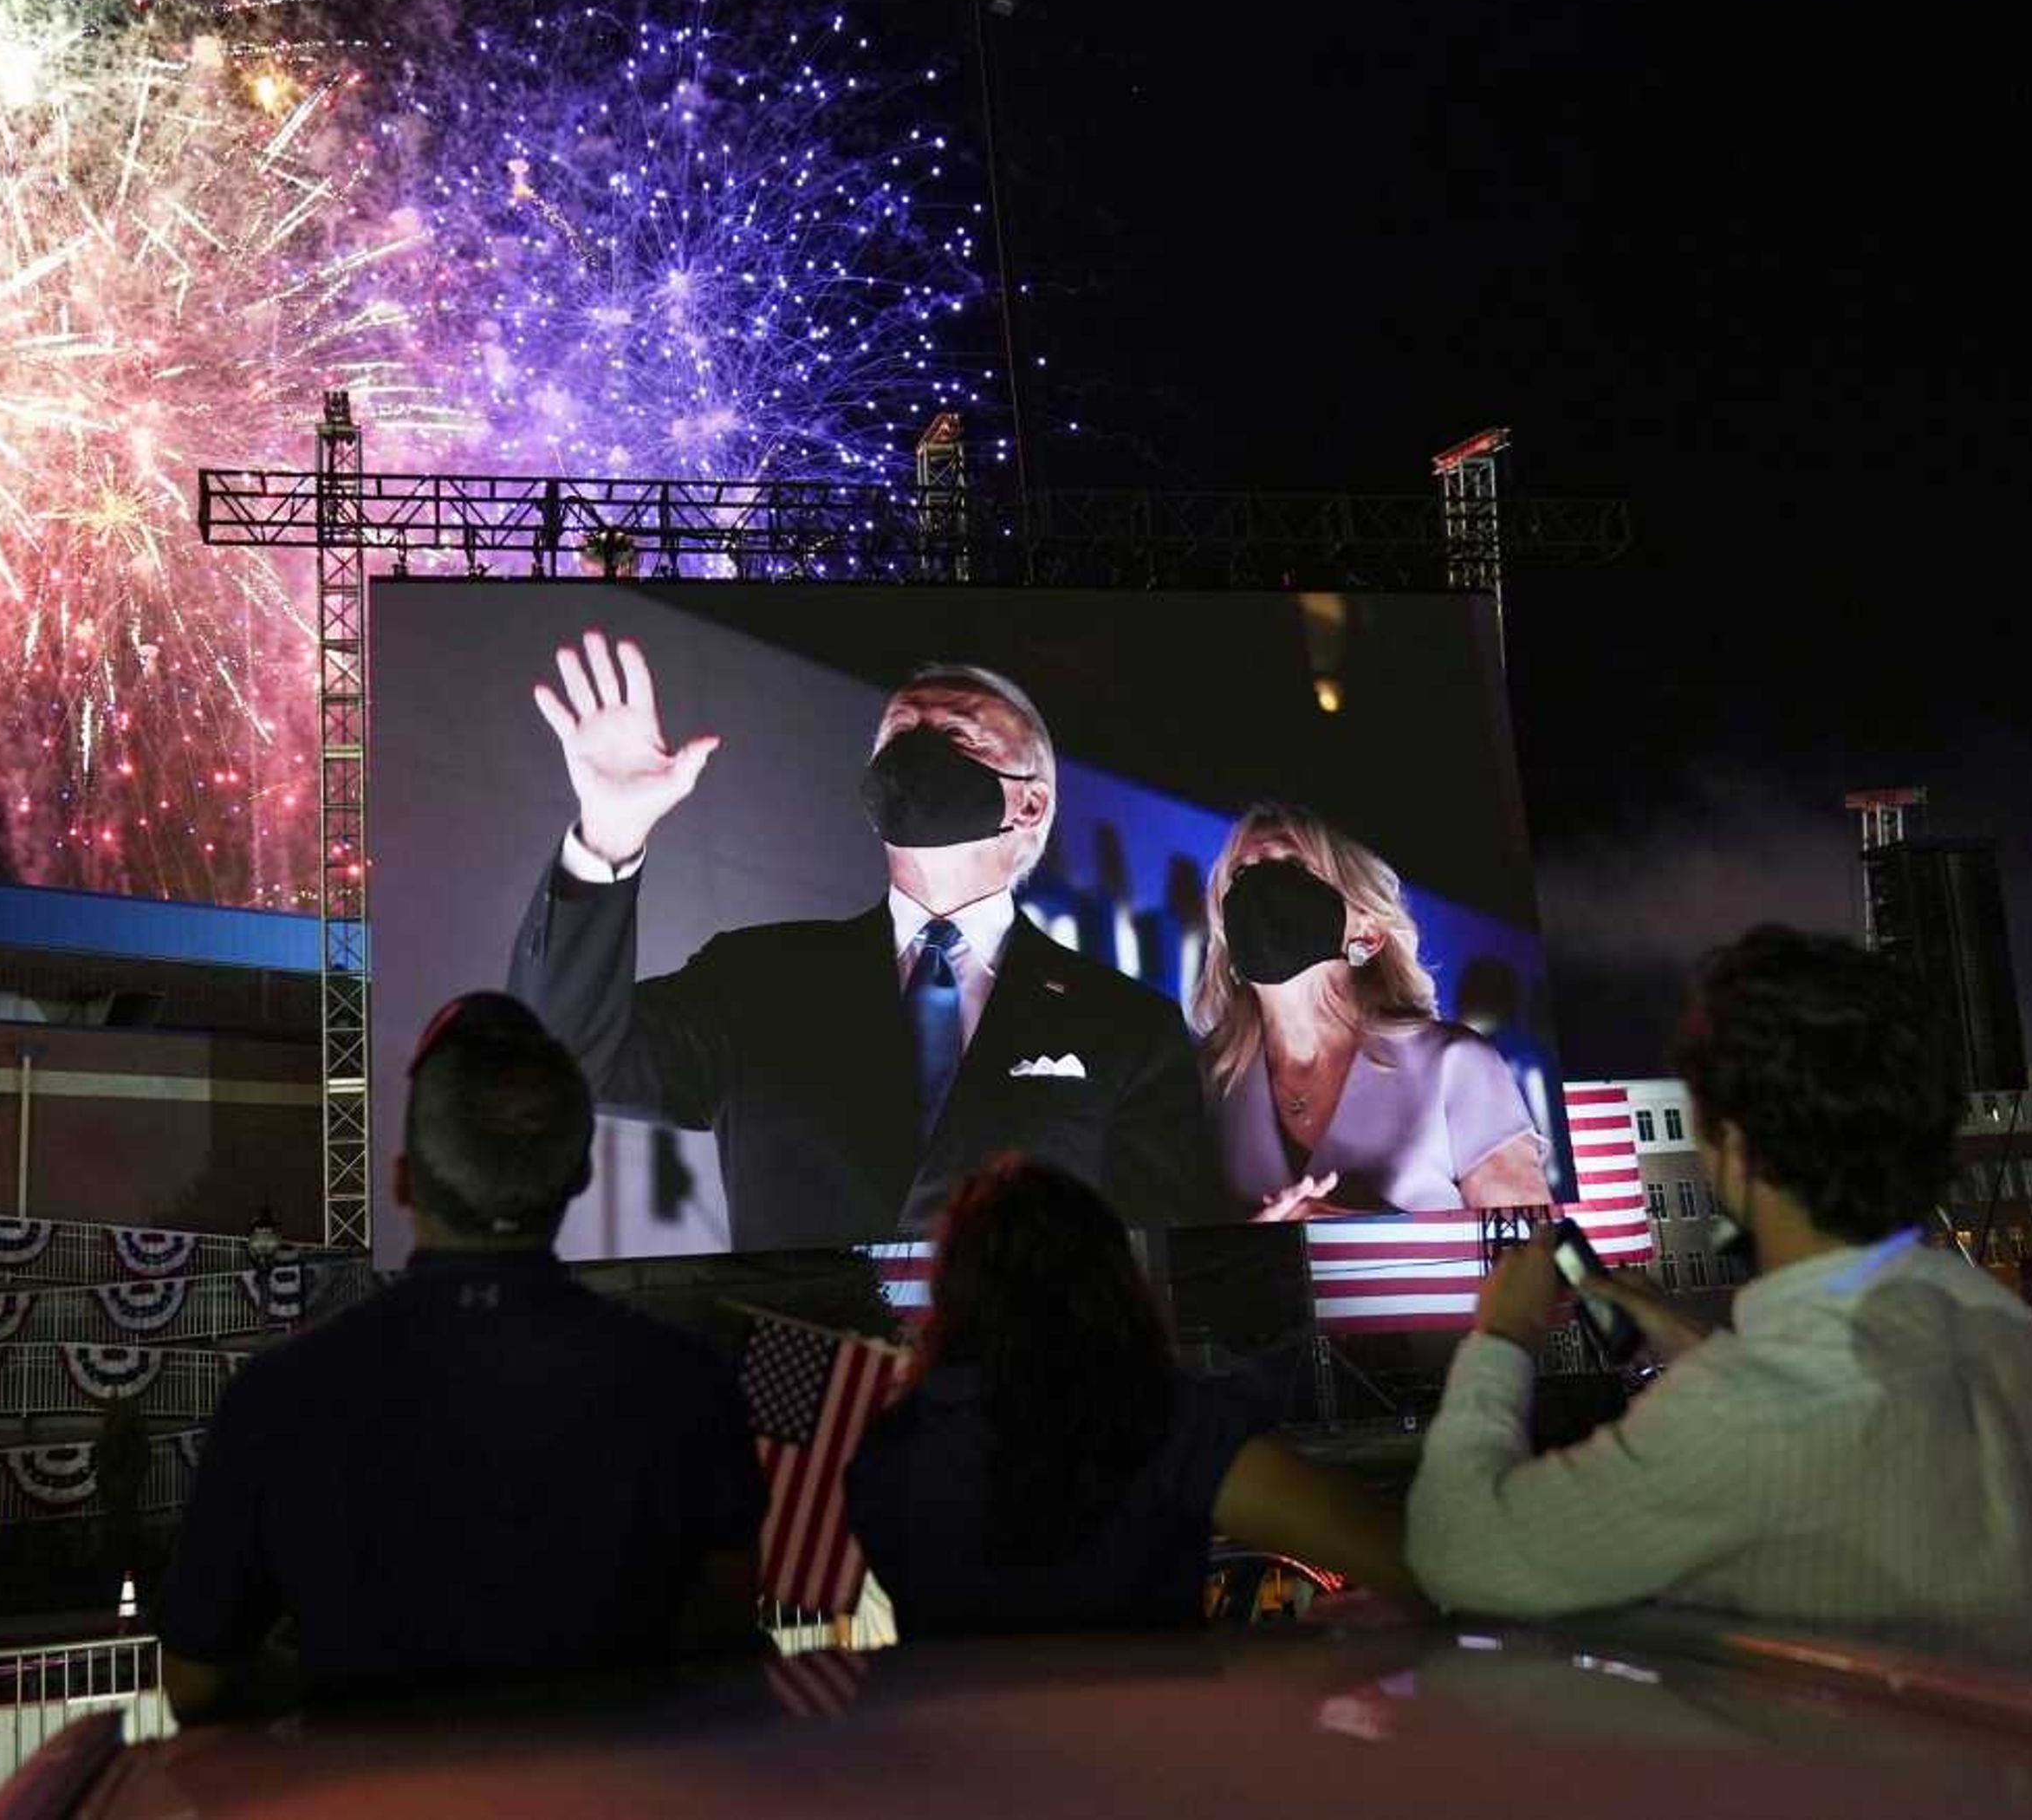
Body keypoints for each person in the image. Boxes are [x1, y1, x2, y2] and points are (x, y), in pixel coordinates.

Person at [1405, 926, 2032, 1667]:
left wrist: (1501, 1338)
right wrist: (1687, 1339)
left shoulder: (1748, 1411)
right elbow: (1824, 1417)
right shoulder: (1998, 1325)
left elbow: (1456, 1548)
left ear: (1736, 1147)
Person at [508, 633, 1225, 1248]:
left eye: (956, 735)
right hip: (808, 1390)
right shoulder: (759, 980)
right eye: (900, 735)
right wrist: (607, 833)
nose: (918, 750)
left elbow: (1156, 1263)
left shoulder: (1127, 1026)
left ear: (1030, 800)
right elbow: (560, 1060)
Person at [160, 993, 765, 1719]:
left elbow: (198, 1683)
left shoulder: (279, 1398)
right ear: (577, 1176)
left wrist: (330, 1696)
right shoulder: (686, 1385)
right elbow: (724, 1638)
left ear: (403, 1180)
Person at [844, 1154, 1425, 1630]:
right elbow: (1410, 1565)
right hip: (1155, 1756)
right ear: (1112, 1280)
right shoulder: (1161, 1422)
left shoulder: (889, 1454)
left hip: (962, 1769)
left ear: (952, 1296)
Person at [1189, 804, 1557, 1219]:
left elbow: (1531, 1251)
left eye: (1292, 866)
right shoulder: (1205, 1080)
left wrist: (1357, 1236)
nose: (1259, 890)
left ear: (1367, 927)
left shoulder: (1456, 1065)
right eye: (1241, 874)